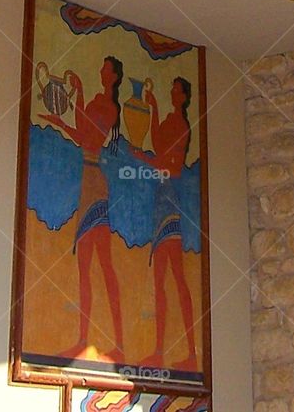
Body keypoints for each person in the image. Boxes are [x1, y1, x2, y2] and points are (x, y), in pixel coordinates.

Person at [40, 56, 126, 364]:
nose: (101, 70)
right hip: (87, 182)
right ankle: (83, 340)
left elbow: (87, 136)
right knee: (86, 266)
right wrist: (70, 106)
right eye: (100, 66)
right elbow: (82, 135)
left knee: (103, 264)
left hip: (95, 184)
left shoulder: (109, 106)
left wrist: (72, 105)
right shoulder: (98, 101)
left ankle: (118, 343)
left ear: (113, 76)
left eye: (105, 68)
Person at [136, 76, 197, 372]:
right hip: (161, 199)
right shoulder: (171, 120)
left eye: (176, 91)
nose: (173, 93)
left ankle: (189, 353)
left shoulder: (183, 126)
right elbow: (159, 145)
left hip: (169, 199)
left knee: (175, 278)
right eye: (170, 90)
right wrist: (154, 108)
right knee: (162, 279)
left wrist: (140, 159)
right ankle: (161, 350)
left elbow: (170, 165)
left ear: (184, 97)